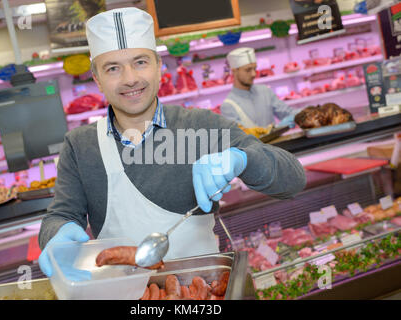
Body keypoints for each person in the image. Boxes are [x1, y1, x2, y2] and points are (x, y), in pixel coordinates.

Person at [38, 7, 306, 279]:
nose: (130, 78)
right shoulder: (80, 145)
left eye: (140, 62)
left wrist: (244, 159)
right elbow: (60, 217)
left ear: (158, 66)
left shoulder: (200, 125)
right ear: (97, 79)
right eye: (113, 68)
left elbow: (293, 179)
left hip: (204, 295)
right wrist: (55, 234)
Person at [220, 47, 299, 129]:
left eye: (254, 68)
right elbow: (240, 137)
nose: (253, 74)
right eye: (248, 70)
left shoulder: (265, 91)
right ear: (234, 71)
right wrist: (275, 129)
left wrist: (304, 114)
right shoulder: (228, 106)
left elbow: (287, 112)